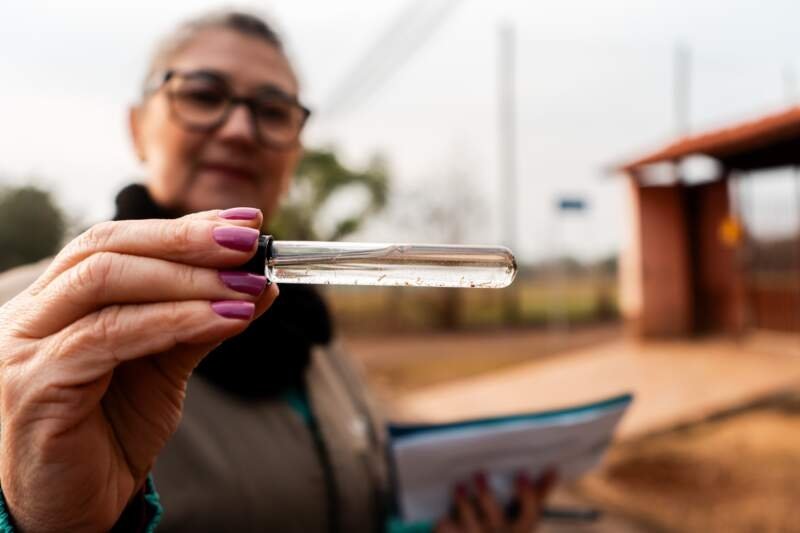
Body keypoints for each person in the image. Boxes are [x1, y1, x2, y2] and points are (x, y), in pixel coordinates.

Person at [0, 10, 554, 533]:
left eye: (273, 111)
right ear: (138, 126)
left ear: (295, 152)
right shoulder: (26, 332)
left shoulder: (310, 328)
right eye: (203, 95)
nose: (240, 129)